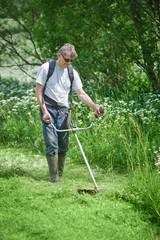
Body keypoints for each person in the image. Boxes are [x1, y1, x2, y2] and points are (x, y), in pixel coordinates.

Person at [36, 43, 103, 183]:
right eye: (66, 59)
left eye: (71, 61)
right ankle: (54, 179)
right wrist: (44, 111)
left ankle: (59, 174)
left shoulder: (72, 72)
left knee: (63, 144)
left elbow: (81, 94)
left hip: (64, 111)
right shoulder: (46, 68)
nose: (69, 63)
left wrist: (95, 107)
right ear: (59, 55)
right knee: (52, 143)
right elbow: (39, 91)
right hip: (48, 108)